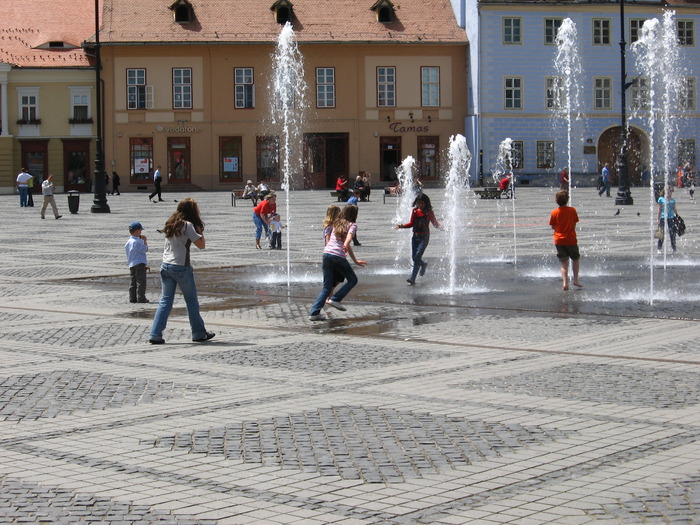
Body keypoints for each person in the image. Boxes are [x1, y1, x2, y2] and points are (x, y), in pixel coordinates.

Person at [149, 198, 214, 344]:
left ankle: (155, 334)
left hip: (166, 265)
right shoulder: (188, 225)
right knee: (191, 301)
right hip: (181, 267)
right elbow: (201, 245)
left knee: (165, 301)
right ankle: (198, 333)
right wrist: (200, 232)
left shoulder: (171, 223)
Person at [309, 204, 367, 321]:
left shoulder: (336, 223)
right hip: (337, 256)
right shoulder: (352, 225)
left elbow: (346, 243)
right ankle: (335, 299)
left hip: (326, 254)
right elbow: (348, 239)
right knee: (353, 279)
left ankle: (314, 313)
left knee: (327, 287)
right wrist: (346, 244)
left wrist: (355, 260)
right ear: (354, 215)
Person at [395, 193, 442, 285]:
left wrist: (444, 229)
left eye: (422, 203)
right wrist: (401, 226)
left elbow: (435, 224)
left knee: (417, 257)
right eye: (419, 203)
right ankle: (418, 272)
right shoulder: (415, 211)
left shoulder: (429, 212)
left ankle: (413, 276)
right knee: (415, 258)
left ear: (426, 203)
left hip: (424, 237)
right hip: (415, 237)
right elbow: (412, 223)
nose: (420, 205)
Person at [549, 190, 583, 291]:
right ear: (567, 200)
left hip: (558, 240)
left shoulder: (554, 212)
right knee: (575, 259)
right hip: (571, 239)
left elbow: (553, 226)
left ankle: (565, 283)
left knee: (564, 262)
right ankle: (575, 280)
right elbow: (574, 224)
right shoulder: (572, 210)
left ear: (556, 201)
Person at [125, 221, 149, 303]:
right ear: (137, 231)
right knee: (141, 281)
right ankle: (141, 298)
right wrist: (144, 241)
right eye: (140, 230)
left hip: (131, 263)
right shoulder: (138, 241)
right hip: (140, 263)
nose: (141, 232)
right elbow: (145, 249)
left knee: (133, 281)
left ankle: (132, 298)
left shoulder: (128, 242)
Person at [657, 186, 678, 253]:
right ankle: (659, 248)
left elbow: (674, 209)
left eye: (671, 191)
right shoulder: (661, 199)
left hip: (671, 218)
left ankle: (674, 249)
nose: (670, 193)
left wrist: (677, 217)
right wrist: (658, 219)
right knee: (661, 234)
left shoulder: (673, 200)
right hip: (663, 217)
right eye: (669, 191)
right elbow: (659, 209)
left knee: (672, 234)